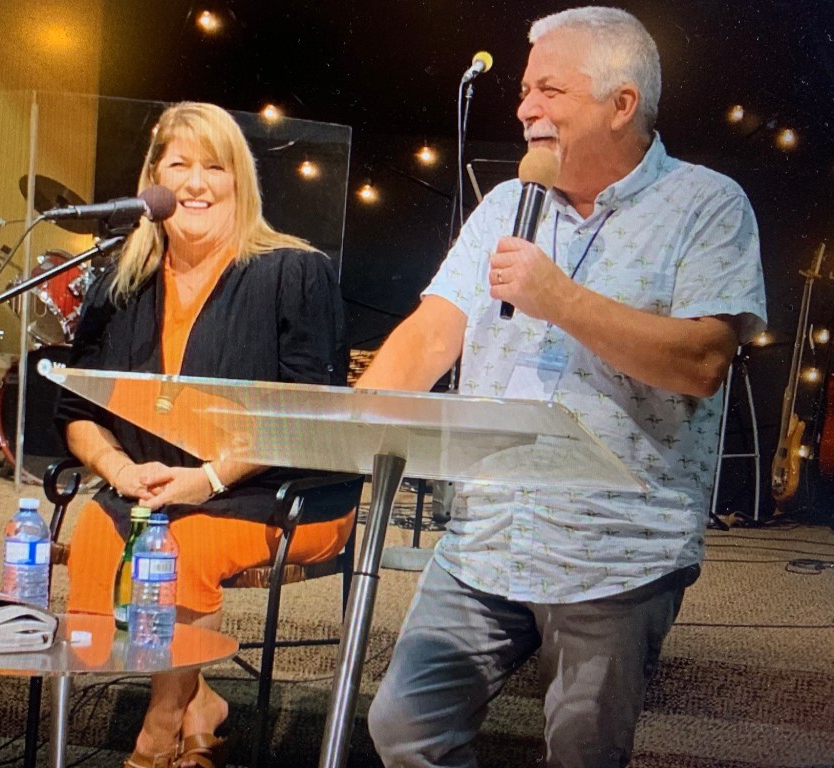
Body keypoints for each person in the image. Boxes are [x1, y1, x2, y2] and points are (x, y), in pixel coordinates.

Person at [361, 8, 766, 768]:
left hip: (616, 552)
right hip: (486, 535)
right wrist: (353, 421)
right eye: (523, 92)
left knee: (582, 753)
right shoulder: (503, 208)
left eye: (549, 90)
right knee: (405, 726)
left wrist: (559, 299)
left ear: (621, 104)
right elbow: (429, 334)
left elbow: (703, 361)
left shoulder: (706, 204)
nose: (525, 109)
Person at [56, 101, 355, 768]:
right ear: (153, 180)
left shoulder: (292, 271)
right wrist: (118, 470)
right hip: (156, 487)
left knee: (178, 546)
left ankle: (158, 732)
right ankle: (201, 705)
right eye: (179, 165)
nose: (195, 183)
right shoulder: (121, 283)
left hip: (281, 489)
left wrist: (211, 477)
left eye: (215, 167)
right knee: (98, 538)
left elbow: (308, 415)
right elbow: (75, 410)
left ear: (239, 181)